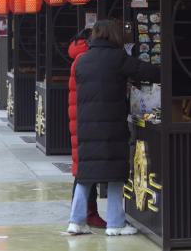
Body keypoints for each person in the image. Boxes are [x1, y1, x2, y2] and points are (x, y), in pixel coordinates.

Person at [67, 20, 160, 236]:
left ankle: (75, 221)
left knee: (85, 174)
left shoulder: (82, 61)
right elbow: (148, 73)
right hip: (112, 125)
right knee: (116, 174)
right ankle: (115, 223)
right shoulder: (118, 58)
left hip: (86, 126)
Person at [67, 28, 105, 229]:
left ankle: (83, 214)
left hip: (80, 120)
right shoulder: (87, 59)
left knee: (82, 169)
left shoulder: (79, 56)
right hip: (86, 120)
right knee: (85, 171)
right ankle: (86, 214)